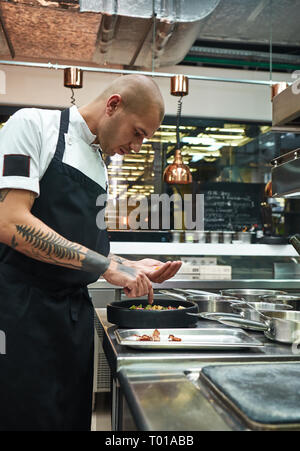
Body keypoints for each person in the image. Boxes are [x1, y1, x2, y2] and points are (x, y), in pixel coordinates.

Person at [0, 74, 182, 431]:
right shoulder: (33, 125)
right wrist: (106, 265)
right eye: (139, 132)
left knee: (71, 418)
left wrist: (125, 264)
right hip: (21, 314)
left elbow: (80, 242)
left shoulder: (100, 165)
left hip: (72, 322)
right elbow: (10, 222)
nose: (139, 146)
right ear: (114, 105)